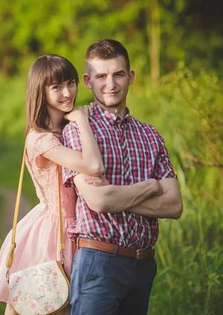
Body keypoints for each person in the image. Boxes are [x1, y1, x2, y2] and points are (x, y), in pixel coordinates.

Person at [0, 54, 162, 315]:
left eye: (70, 83)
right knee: (47, 304)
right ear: (41, 90)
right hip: (53, 231)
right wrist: (82, 121)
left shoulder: (67, 130)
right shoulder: (41, 139)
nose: (67, 92)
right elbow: (94, 166)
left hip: (82, 229)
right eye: (56, 87)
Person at [62, 39, 183, 315]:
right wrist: (151, 186)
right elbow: (98, 202)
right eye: (101, 76)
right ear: (87, 81)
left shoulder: (151, 135)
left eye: (118, 74)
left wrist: (115, 196)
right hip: (99, 261)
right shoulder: (78, 130)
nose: (110, 84)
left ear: (130, 77)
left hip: (143, 265)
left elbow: (174, 205)